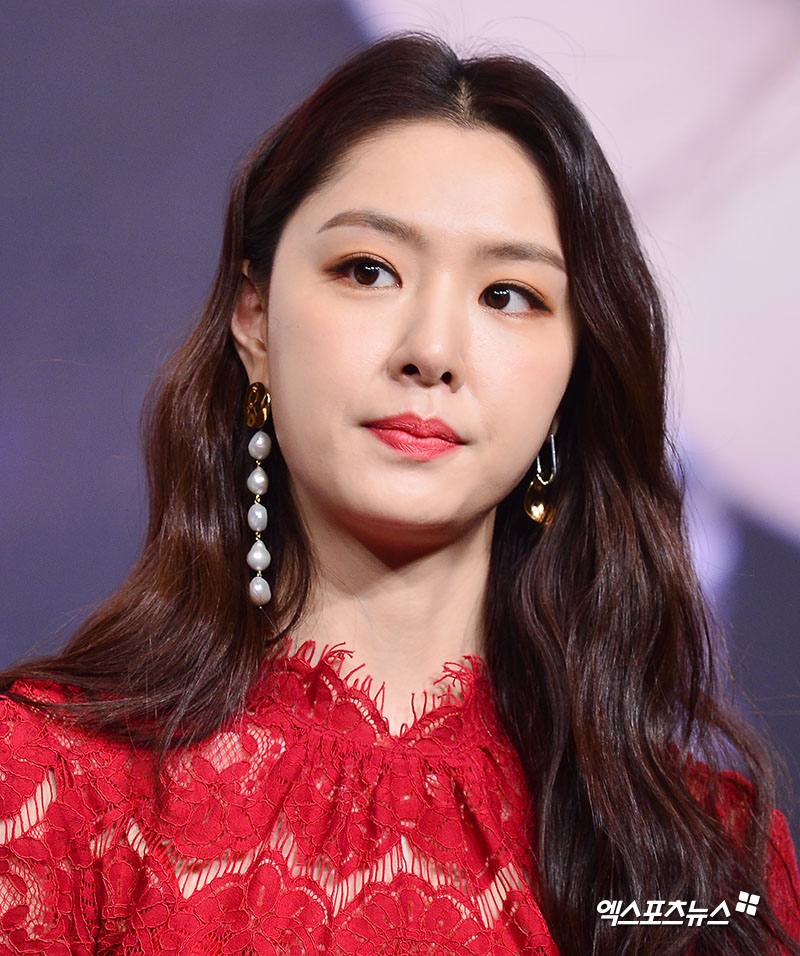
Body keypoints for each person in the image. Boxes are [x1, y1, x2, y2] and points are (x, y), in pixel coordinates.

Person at [0, 30, 797, 956]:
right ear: (253, 318)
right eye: (368, 271)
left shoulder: (701, 862)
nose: (432, 352)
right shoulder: (47, 790)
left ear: (573, 373)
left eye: (508, 295)